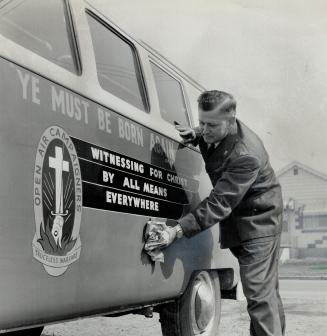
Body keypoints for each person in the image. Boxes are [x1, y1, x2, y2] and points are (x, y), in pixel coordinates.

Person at [145, 90, 285, 336]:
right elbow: (208, 131)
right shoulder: (217, 129)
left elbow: (218, 204)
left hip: (259, 221)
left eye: (211, 125)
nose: (205, 130)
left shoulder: (246, 154)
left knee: (258, 293)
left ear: (231, 122)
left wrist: (176, 231)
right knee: (266, 292)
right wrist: (196, 132)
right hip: (242, 218)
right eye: (202, 122)